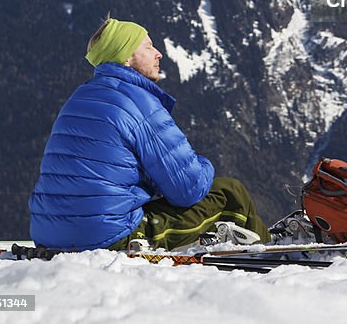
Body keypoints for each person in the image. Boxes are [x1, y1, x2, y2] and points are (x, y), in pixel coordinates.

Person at [29, 16, 270, 251]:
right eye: (148, 46)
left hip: (48, 234)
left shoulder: (77, 100)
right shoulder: (140, 104)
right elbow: (189, 189)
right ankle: (270, 253)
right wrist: (204, 164)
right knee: (230, 192)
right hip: (107, 236)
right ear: (126, 58)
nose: (158, 53)